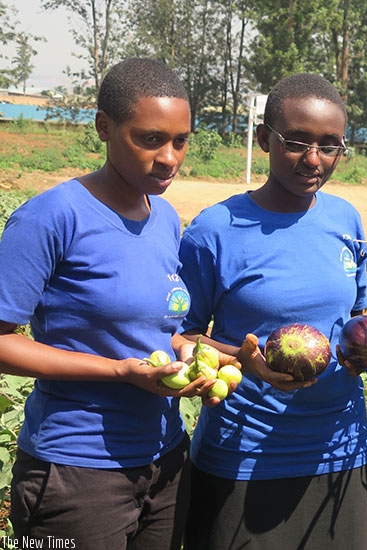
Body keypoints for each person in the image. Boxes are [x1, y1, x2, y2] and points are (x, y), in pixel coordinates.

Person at [0, 57, 219, 550]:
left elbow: (161, 331)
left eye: (181, 140)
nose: (169, 157)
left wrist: (191, 353)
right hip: (76, 471)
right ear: (104, 127)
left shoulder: (163, 217)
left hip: (165, 462)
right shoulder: (52, 217)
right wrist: (119, 372)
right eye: (150, 139)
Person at [179, 73, 367, 550]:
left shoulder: (345, 219)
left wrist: (366, 350)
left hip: (340, 452)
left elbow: (356, 318)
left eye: (330, 147)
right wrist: (244, 360)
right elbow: (177, 336)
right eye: (297, 142)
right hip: (243, 456)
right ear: (265, 138)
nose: (314, 160)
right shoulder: (215, 230)